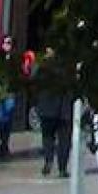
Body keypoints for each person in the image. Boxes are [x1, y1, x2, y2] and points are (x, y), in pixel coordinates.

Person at [30, 49, 74, 178]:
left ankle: (48, 161)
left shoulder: (41, 68)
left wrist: (37, 103)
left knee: (48, 137)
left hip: (47, 108)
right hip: (64, 109)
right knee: (64, 140)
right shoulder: (67, 67)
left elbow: (34, 86)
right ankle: (62, 167)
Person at [0, 34, 20, 162]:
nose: (8, 45)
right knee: (2, 119)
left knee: (8, 117)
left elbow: (18, 74)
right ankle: (3, 144)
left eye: (10, 43)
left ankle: (4, 143)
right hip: (0, 93)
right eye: (6, 43)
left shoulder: (15, 60)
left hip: (10, 93)